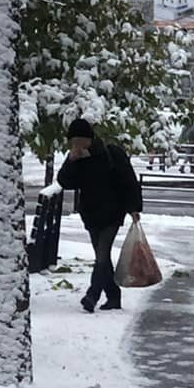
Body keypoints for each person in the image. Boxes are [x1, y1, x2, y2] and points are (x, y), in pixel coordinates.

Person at [57, 116, 143, 313]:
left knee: (102, 255)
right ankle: (113, 296)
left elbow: (128, 181)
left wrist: (133, 208)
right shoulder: (77, 159)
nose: (77, 145)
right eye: (73, 141)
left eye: (81, 140)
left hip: (113, 213)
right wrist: (71, 161)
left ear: (90, 138)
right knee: (101, 258)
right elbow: (65, 182)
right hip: (90, 214)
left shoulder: (111, 153)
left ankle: (92, 295)